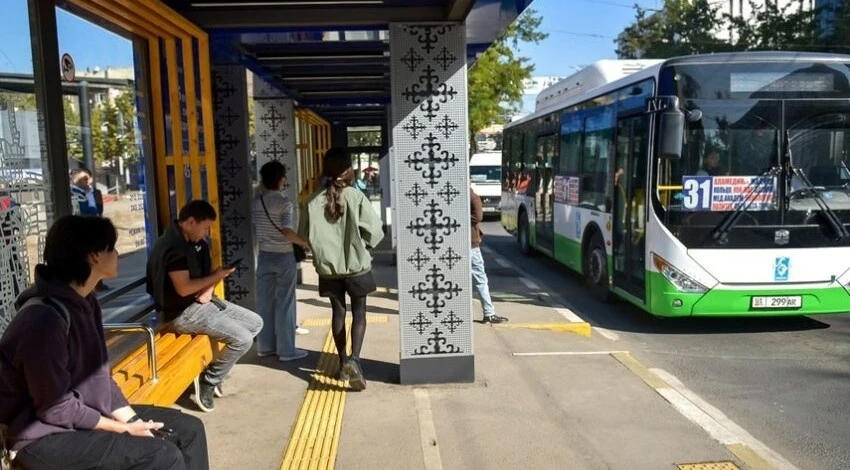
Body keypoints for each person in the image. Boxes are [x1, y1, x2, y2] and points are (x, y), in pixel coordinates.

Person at [0, 215, 209, 469]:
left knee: (189, 430)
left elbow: (100, 377)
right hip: (41, 437)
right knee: (162, 455)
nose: (117, 254)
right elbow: (55, 409)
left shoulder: (86, 302)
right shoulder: (43, 319)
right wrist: (122, 429)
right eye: (111, 248)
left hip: (80, 418)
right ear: (93, 256)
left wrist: (132, 422)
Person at [147, 200, 263, 412]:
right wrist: (217, 276)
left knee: (255, 323)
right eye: (205, 227)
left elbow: (202, 278)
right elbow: (183, 289)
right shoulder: (173, 247)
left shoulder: (193, 242)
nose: (207, 232)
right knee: (242, 339)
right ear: (190, 222)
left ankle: (214, 373)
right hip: (180, 313)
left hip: (200, 303)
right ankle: (208, 381)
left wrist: (210, 285)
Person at [298, 148, 384, 391]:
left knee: (338, 313)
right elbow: (375, 233)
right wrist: (363, 245)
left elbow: (304, 236)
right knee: (359, 312)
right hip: (356, 267)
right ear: (348, 171)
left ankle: (342, 360)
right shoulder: (356, 198)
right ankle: (355, 360)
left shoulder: (312, 201)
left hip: (328, 270)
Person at [252, 161, 311, 362]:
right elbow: (287, 231)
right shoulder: (284, 203)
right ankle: (287, 350)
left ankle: (265, 346)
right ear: (280, 179)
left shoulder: (256, 201)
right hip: (284, 257)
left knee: (264, 303)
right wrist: (303, 243)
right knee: (285, 303)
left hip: (265, 256)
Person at [470, 187, 508, 324]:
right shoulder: (472, 196)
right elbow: (478, 216)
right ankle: (489, 313)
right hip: (471, 244)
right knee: (480, 278)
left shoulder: (455, 194)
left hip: (462, 243)